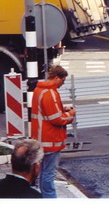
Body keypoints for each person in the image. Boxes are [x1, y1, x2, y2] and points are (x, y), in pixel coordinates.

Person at [31, 65, 76, 198]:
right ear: (57, 78)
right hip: (50, 140)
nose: (63, 83)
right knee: (48, 173)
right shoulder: (50, 93)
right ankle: (50, 198)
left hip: (41, 138)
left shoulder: (40, 90)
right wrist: (71, 115)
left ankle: (42, 196)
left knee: (43, 172)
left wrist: (63, 109)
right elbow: (56, 119)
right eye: (63, 80)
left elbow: (47, 112)